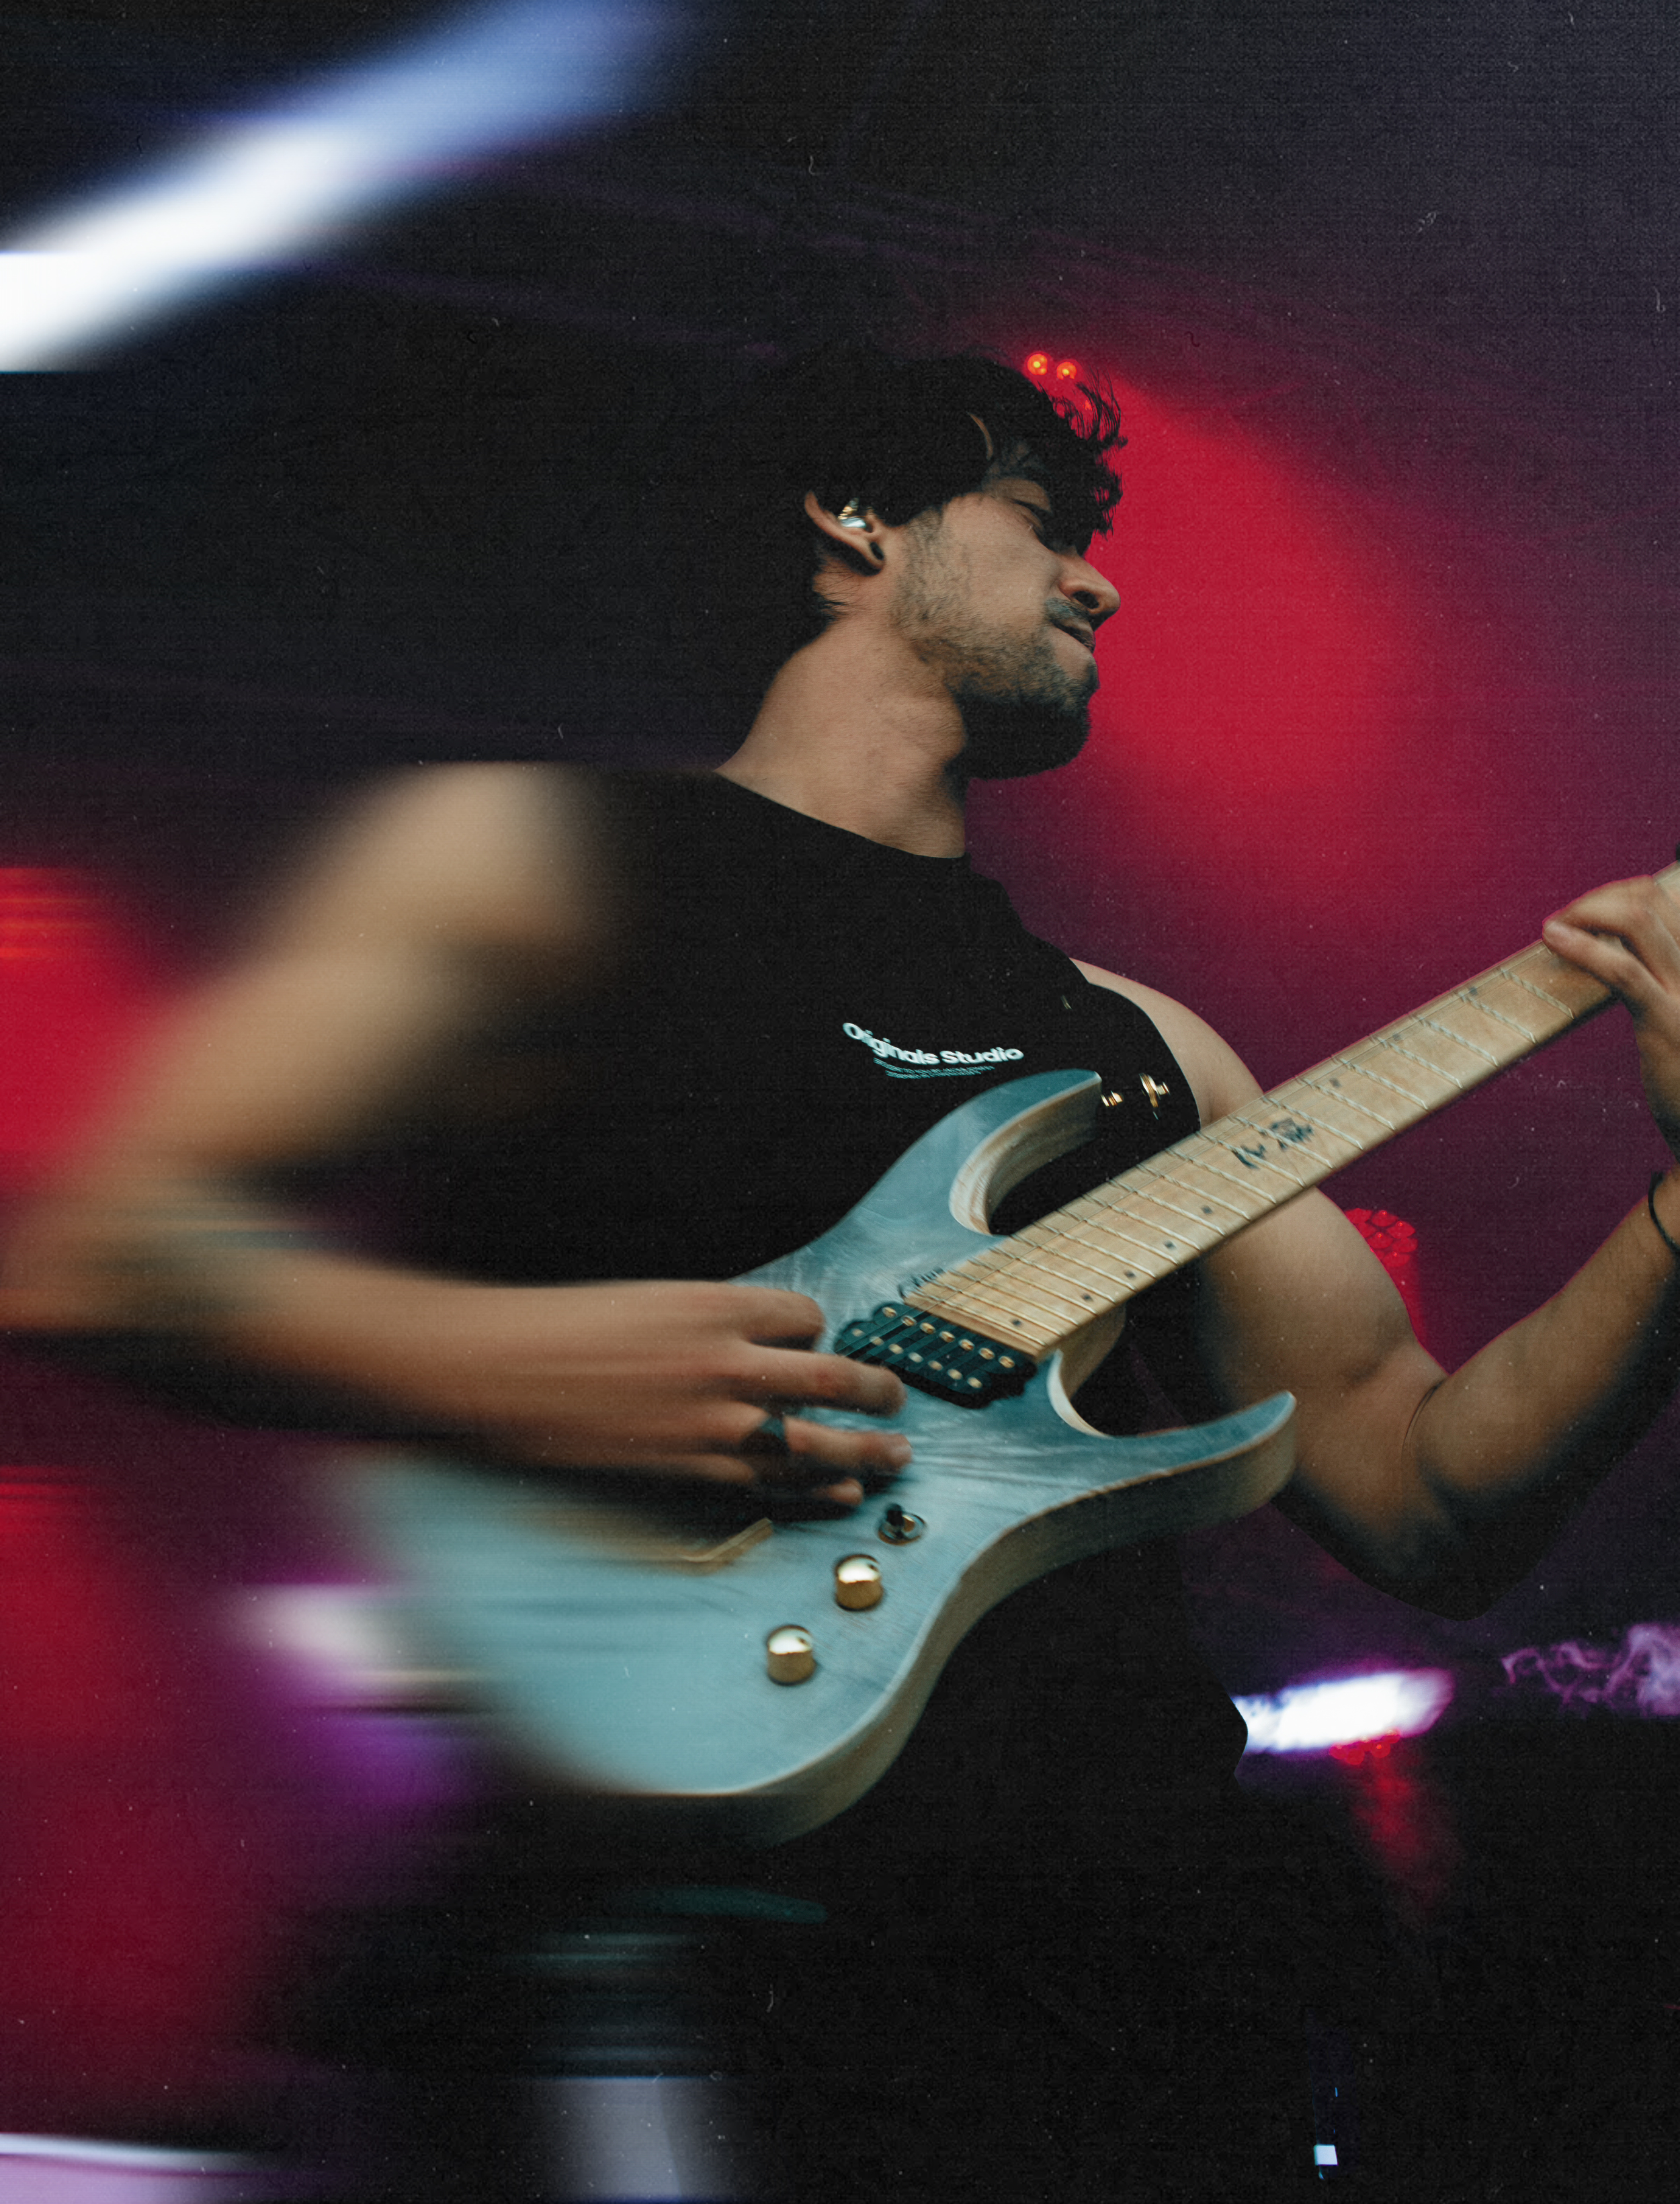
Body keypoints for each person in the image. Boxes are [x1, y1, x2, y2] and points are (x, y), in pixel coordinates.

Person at [6, 349, 1680, 2199]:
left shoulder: (1136, 1046)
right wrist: (506, 1361)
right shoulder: (541, 860)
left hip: (1117, 2004)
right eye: (1042, 525)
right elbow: (99, 1253)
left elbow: (1432, 1496)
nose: (1102, 582)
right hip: (673, 1979)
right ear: (851, 521)